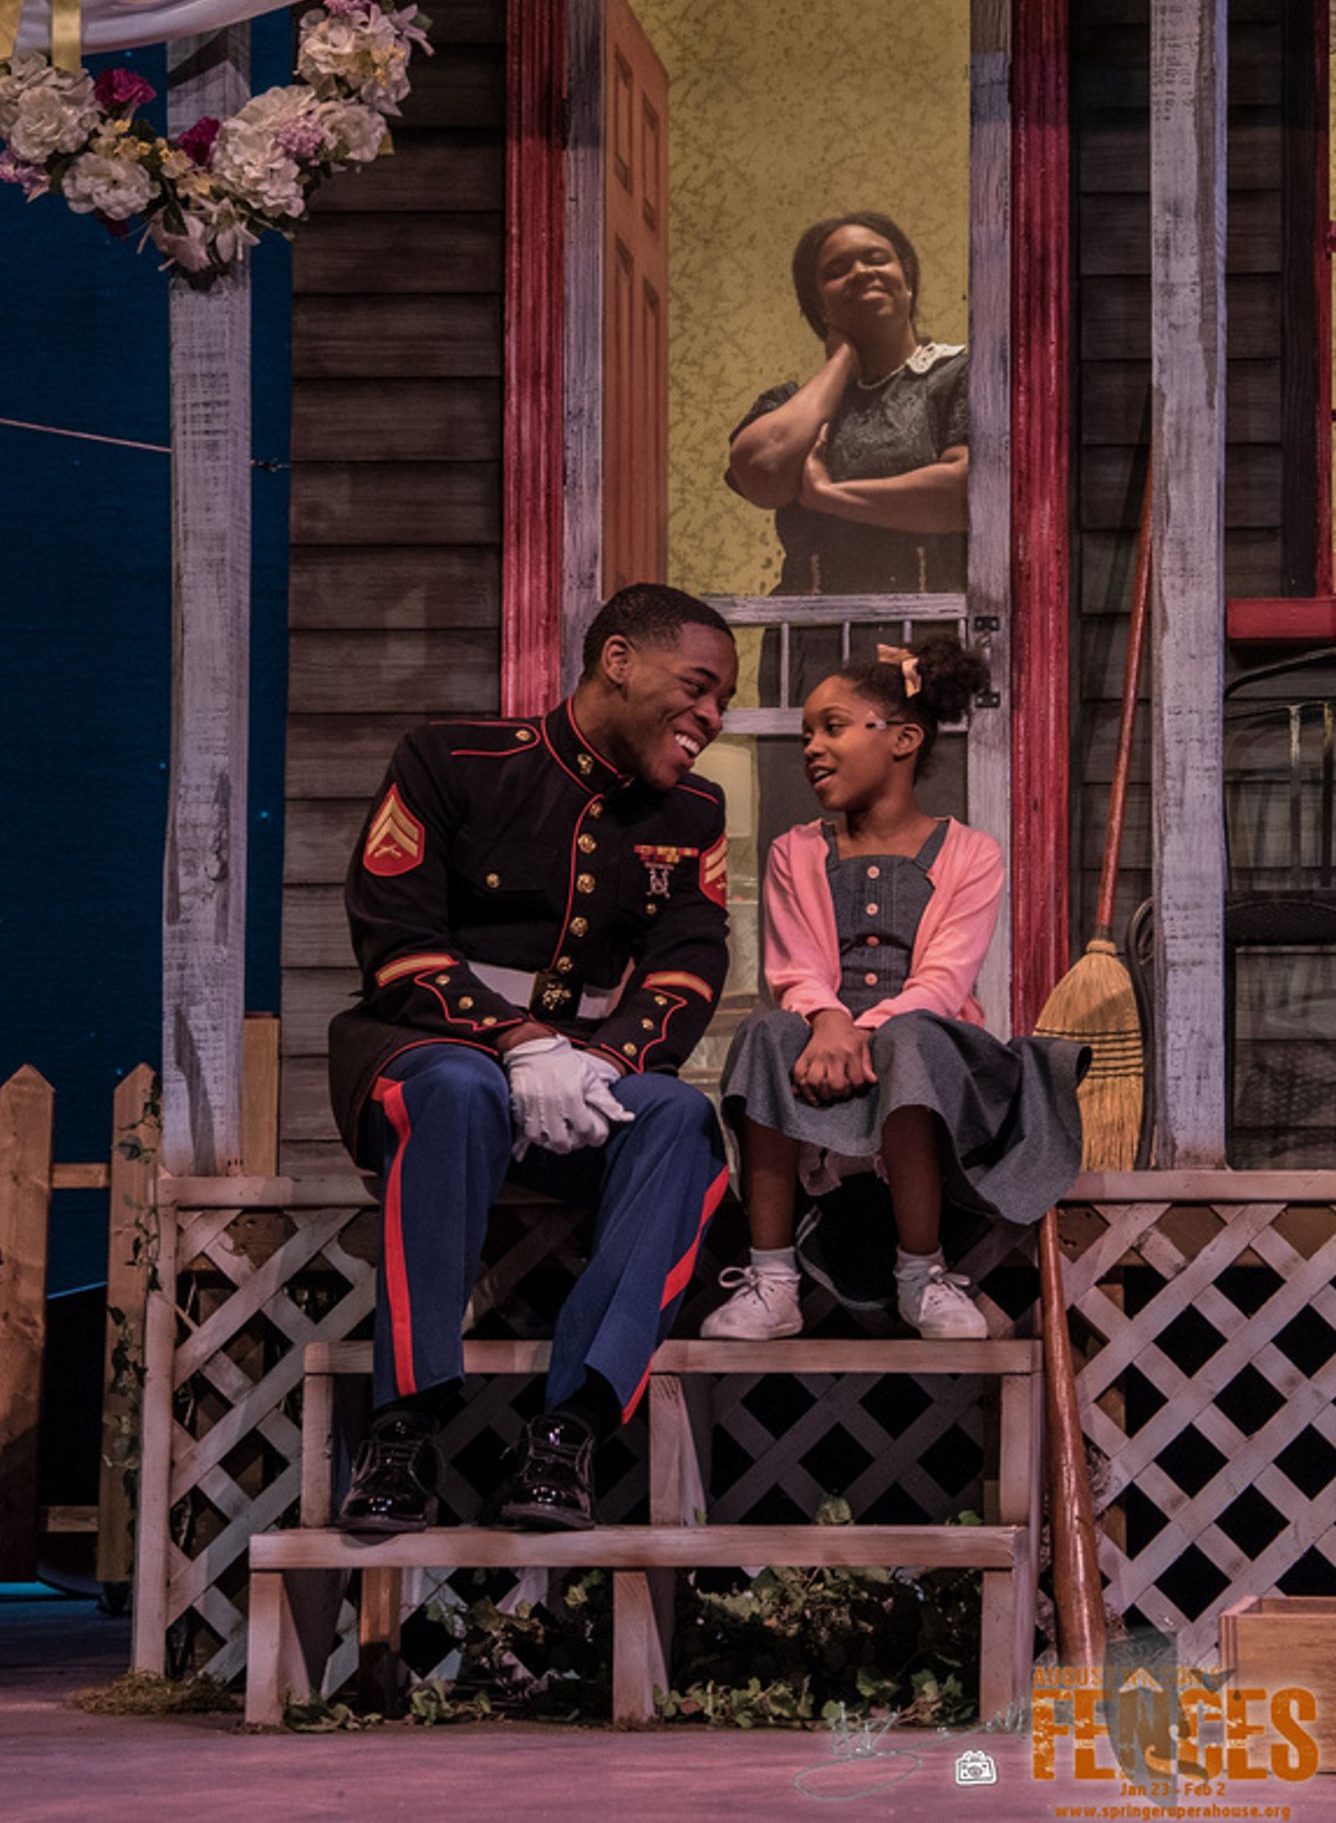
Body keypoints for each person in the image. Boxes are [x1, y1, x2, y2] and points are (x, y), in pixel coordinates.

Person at [328, 583, 739, 1534]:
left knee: (680, 1119)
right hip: (426, 1052)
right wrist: (517, 1040)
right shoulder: (451, 761)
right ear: (618, 661)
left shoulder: (694, 814)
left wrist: (609, 1060)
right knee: (461, 1089)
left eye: (721, 702)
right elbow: (397, 943)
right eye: (698, 688)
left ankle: (570, 1430)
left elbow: (687, 962)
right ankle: (402, 1430)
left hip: (582, 1077)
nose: (713, 718)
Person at [701, 635, 1085, 1343]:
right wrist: (827, 1022)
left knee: (908, 1038)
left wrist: (861, 1032)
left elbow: (942, 981)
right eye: (807, 734)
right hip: (822, 1045)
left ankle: (921, 1271)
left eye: (833, 727)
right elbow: (795, 967)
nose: (813, 748)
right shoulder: (796, 851)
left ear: (903, 739)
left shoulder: (971, 853)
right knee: (765, 1031)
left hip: (931, 1056)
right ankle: (772, 1279)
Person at [725, 210, 969, 708]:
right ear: (817, 305)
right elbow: (763, 474)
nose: (860, 272)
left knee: (912, 754)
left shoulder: (956, 375)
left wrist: (827, 496)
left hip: (924, 644)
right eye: (836, 271)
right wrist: (841, 363)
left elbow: (960, 495)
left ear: (907, 278)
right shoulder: (791, 402)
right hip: (809, 650)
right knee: (810, 760)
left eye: (876, 258)